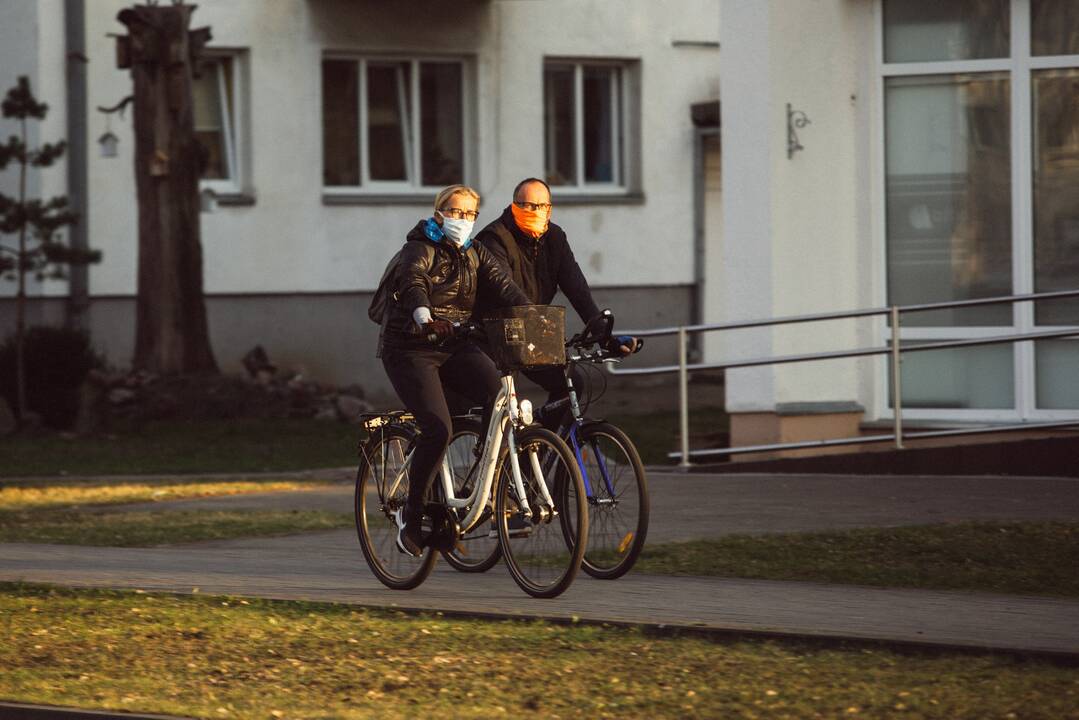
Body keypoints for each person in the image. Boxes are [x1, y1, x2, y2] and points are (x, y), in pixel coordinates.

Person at [378, 184, 529, 556]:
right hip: (411, 347)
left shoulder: (474, 253)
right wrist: (424, 316)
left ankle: (484, 489)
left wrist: (537, 317)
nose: (463, 220)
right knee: (438, 428)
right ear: (439, 212)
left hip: (454, 344)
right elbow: (413, 281)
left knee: (500, 399)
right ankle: (411, 519)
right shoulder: (420, 247)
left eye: (470, 214)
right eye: (456, 211)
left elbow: (507, 289)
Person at [474, 177, 640, 427]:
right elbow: (504, 290)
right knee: (504, 405)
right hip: (493, 334)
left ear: (550, 209)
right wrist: (540, 322)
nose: (534, 211)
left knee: (571, 384)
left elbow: (578, 290)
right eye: (527, 205)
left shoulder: (555, 237)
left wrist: (604, 336)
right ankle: (504, 461)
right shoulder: (495, 238)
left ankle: (545, 449)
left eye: (541, 206)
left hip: (531, 331)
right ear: (514, 205)